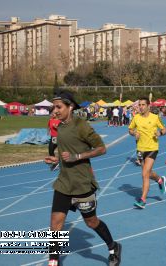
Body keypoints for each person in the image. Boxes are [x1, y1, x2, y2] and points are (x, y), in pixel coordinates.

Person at [44, 91, 121, 266]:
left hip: (82, 184)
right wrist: (56, 160)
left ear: (70, 107)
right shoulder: (60, 126)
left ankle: (113, 247)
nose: (54, 111)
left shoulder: (82, 126)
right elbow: (65, 153)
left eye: (58, 107)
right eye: (53, 107)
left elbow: (102, 148)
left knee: (91, 222)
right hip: (64, 183)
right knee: (55, 225)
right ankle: (53, 261)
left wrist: (77, 156)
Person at [128, 97, 166, 209]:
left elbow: (165, 130)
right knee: (148, 173)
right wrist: (134, 133)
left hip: (152, 148)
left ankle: (143, 200)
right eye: (139, 105)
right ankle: (160, 180)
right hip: (140, 149)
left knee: (144, 174)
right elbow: (130, 130)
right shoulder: (136, 118)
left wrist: (160, 133)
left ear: (149, 106)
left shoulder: (155, 118)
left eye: (143, 105)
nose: (141, 107)